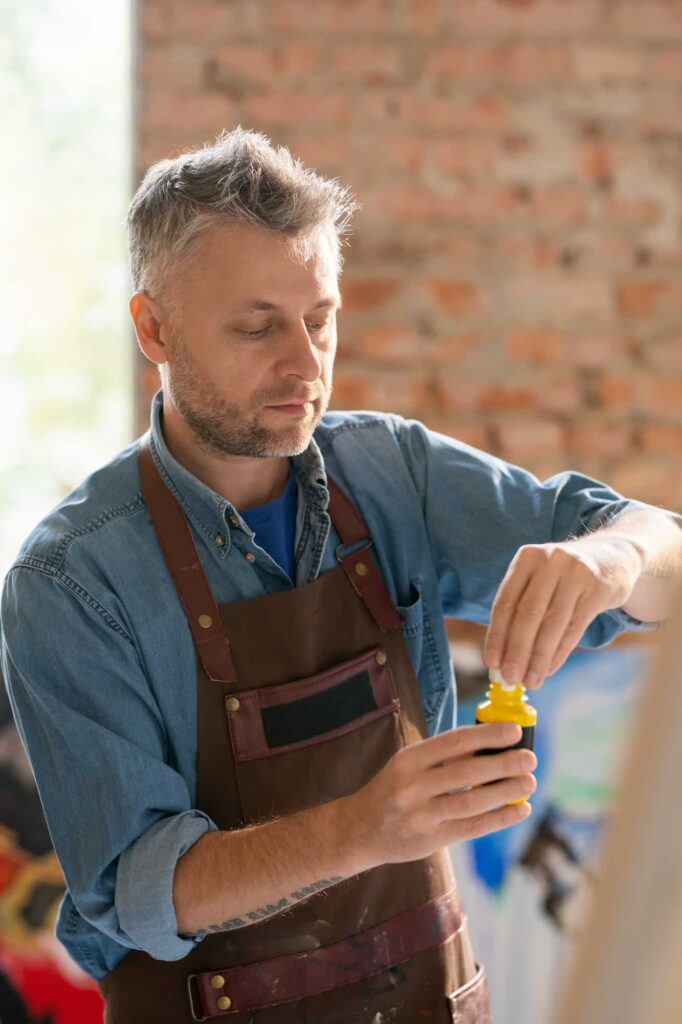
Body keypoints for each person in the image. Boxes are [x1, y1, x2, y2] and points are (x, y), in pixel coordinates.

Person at [1, 127, 681, 1024]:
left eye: (320, 317)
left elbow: (662, 549)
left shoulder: (393, 473)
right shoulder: (70, 581)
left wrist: (611, 556)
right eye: (257, 326)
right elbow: (135, 892)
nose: (304, 363)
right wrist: (364, 830)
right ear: (153, 328)